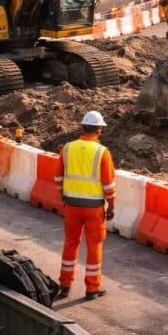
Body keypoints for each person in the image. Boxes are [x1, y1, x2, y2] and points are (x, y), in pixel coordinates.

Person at [55, 111, 115, 301]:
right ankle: (92, 288)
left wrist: (64, 195)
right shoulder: (102, 152)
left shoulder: (67, 148)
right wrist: (111, 206)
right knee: (94, 246)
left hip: (71, 206)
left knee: (70, 243)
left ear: (83, 127)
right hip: (94, 209)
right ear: (99, 130)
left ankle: (64, 285)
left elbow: (58, 179)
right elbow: (108, 186)